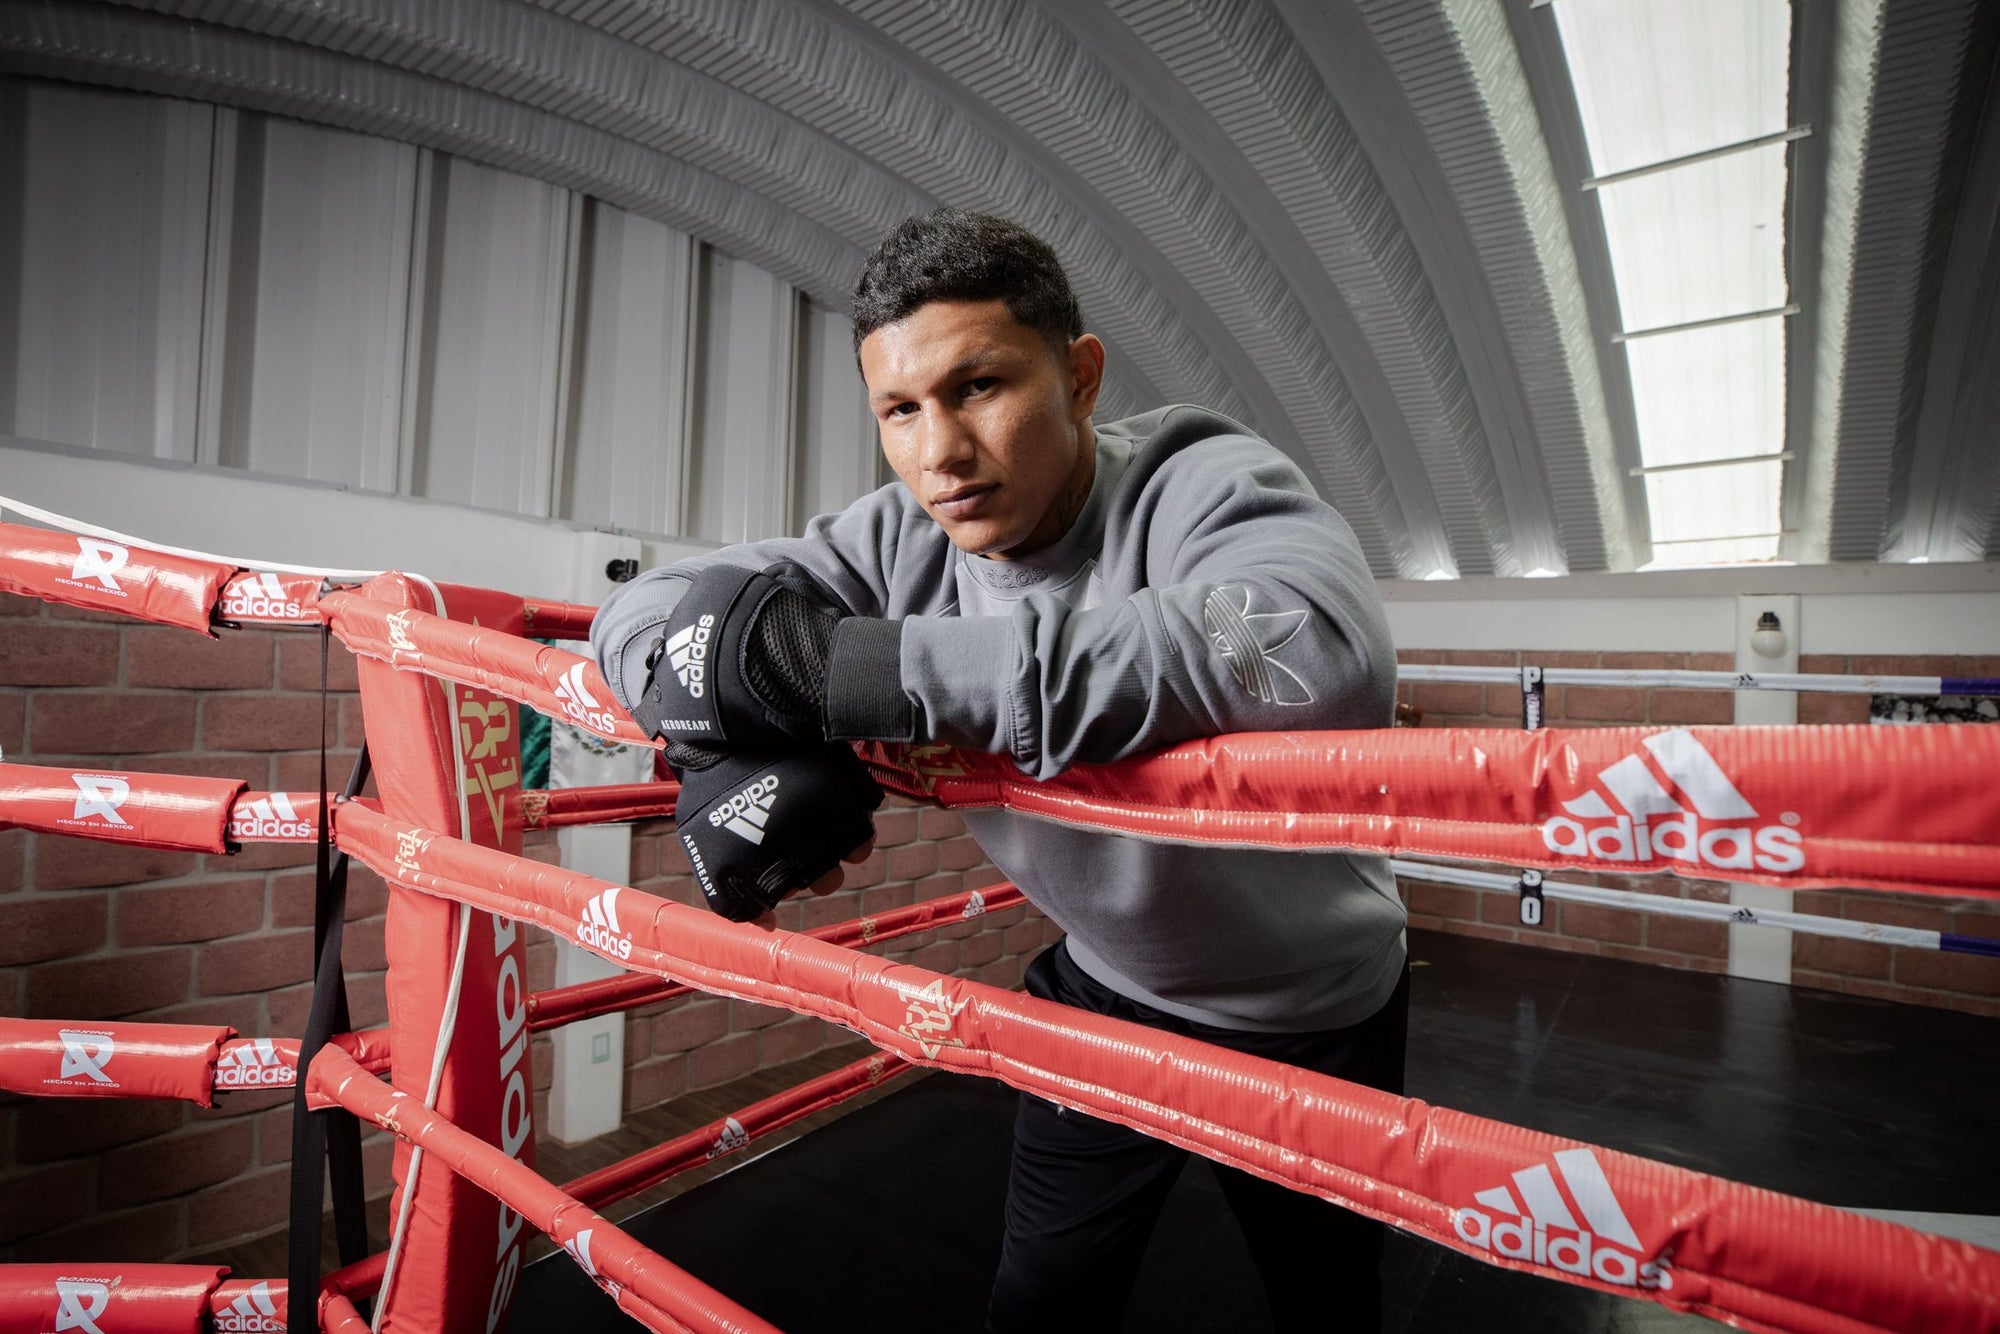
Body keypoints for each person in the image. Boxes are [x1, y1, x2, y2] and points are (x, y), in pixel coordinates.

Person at [592, 207, 1407, 1332]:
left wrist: (865, 675)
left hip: (1309, 1007)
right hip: (1106, 991)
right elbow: (641, 614)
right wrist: (717, 730)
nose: (940, 454)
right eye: (899, 410)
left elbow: (1316, 650)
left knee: (1322, 1305)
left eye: (977, 387)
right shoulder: (896, 538)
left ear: (1077, 377)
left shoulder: (1192, 479)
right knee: (1037, 1304)